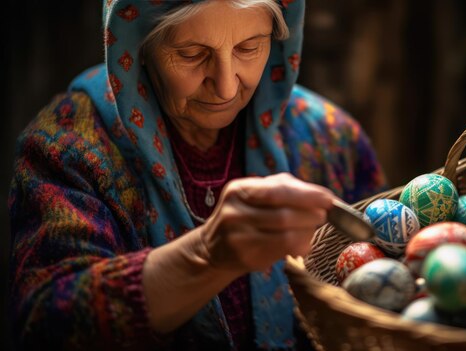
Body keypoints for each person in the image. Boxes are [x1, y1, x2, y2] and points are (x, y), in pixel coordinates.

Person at [7, 0, 387, 349]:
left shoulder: (330, 138)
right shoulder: (67, 149)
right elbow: (45, 323)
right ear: (136, 44)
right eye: (191, 54)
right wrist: (207, 255)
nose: (226, 85)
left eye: (249, 47)